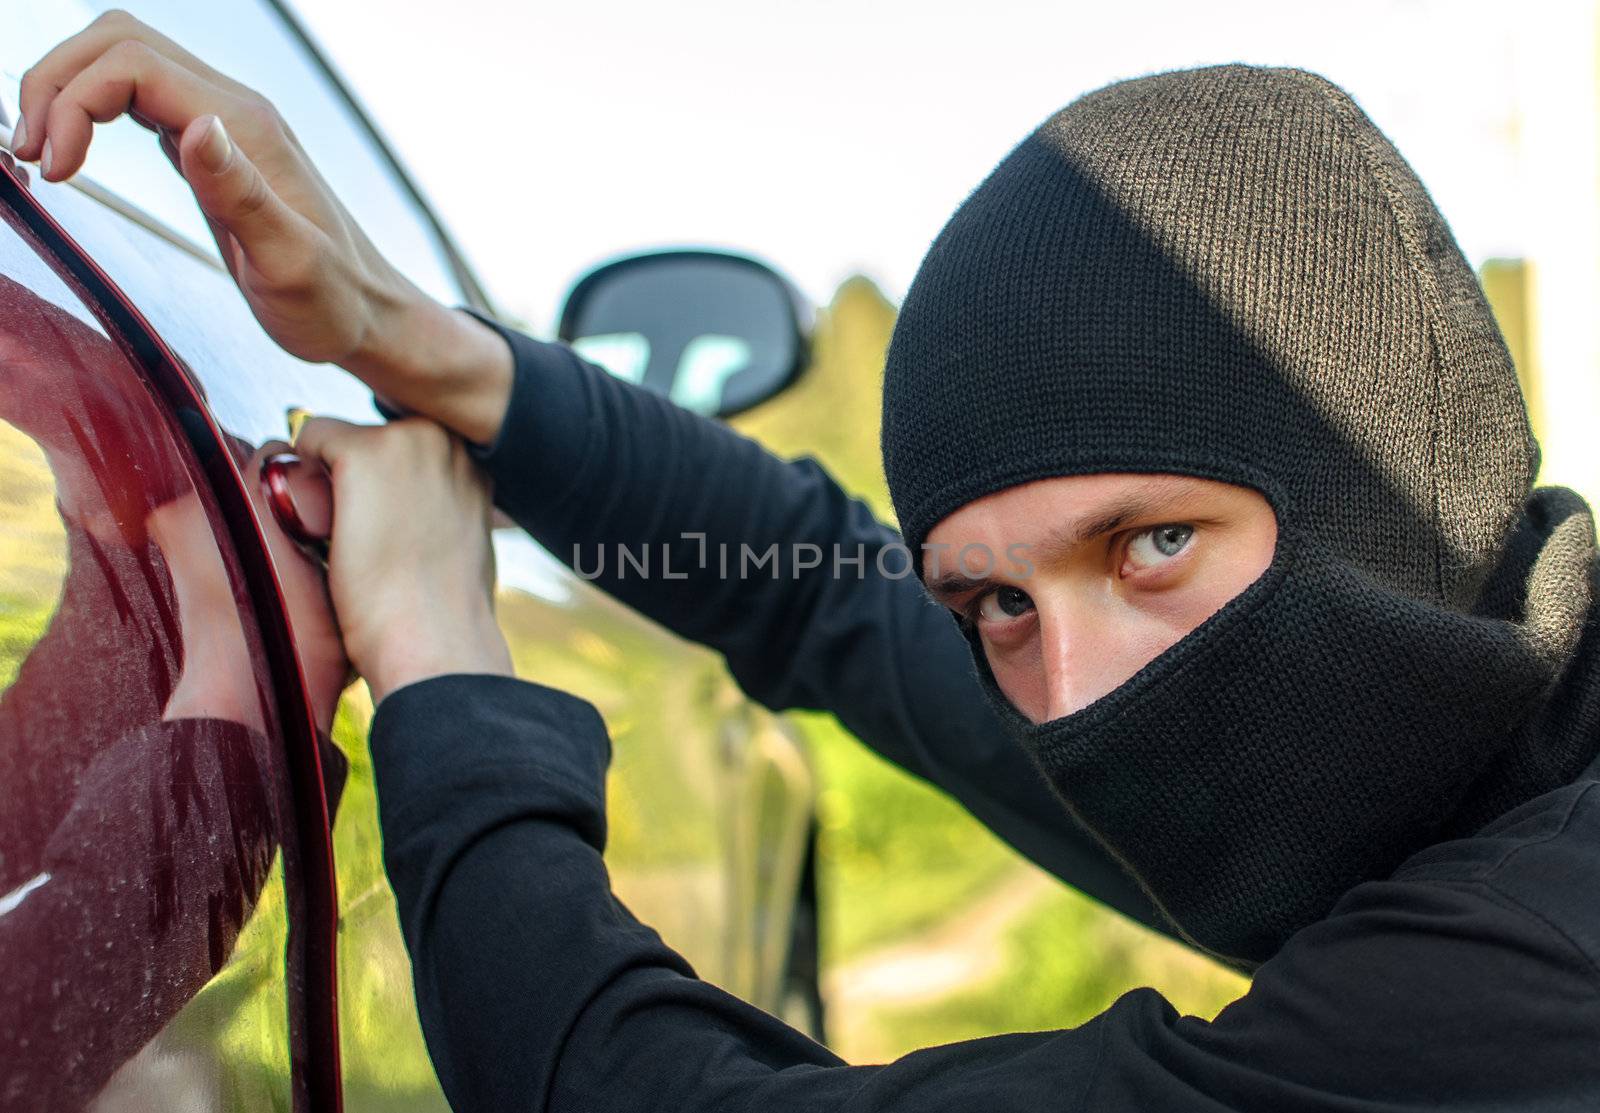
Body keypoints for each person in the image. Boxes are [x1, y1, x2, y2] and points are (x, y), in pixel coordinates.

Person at [17, 12, 1600, 1111]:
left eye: (1155, 542)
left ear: (1388, 470)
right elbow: (824, 589)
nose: (1072, 702)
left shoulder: (1520, 974)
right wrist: (401, 337)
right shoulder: (1466, 724)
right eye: (996, 603)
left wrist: (436, 649)